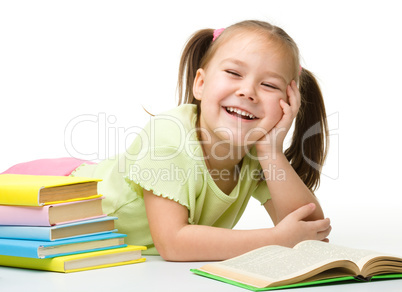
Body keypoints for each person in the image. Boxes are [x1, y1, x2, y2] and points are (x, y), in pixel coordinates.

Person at [2, 20, 331, 261]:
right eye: (233, 73)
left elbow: (312, 230)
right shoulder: (168, 136)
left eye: (270, 86)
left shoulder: (257, 155)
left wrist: (273, 151)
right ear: (200, 84)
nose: (247, 91)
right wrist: (274, 240)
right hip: (49, 199)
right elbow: (172, 243)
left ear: (289, 103)